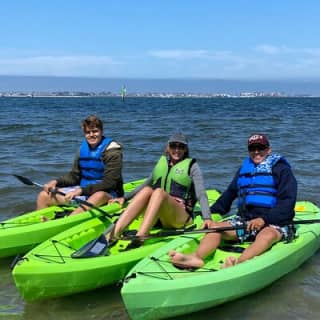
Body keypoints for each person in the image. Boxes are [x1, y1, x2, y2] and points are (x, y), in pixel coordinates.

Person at [170, 133, 297, 268]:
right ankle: (197, 258)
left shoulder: (281, 169)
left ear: (269, 150)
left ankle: (238, 263)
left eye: (261, 148)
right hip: (246, 225)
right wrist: (208, 215)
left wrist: (263, 220)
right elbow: (229, 195)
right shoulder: (245, 169)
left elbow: (287, 202)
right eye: (252, 149)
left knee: (267, 235)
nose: (256, 152)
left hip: (273, 223)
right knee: (216, 228)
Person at [109, 133, 212, 249]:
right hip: (161, 217)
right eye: (173, 146)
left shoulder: (192, 166)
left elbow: (201, 193)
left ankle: (140, 237)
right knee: (148, 190)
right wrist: (125, 198)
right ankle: (114, 234)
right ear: (168, 148)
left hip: (180, 218)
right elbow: (145, 184)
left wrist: (207, 218)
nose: (177, 150)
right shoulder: (162, 164)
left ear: (185, 149)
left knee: (158, 192)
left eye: (181, 147)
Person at [37, 115, 124, 215]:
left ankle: (69, 221)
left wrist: (81, 191)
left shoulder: (113, 152)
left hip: (108, 193)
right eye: (88, 132)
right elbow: (75, 176)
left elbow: (110, 183)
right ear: (84, 133)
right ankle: (41, 222)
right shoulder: (82, 150)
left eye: (95, 131)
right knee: (43, 195)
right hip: (84, 191)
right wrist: (56, 182)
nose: (91, 135)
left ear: (101, 131)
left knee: (98, 196)